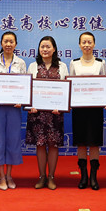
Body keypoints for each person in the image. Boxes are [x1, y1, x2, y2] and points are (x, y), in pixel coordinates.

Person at [27, 35, 69, 190]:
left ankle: (51, 176)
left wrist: (61, 105)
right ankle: (41, 176)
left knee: (53, 145)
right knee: (40, 145)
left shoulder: (62, 66)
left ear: (54, 49)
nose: (45, 49)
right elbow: (28, 89)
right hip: (37, 113)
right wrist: (30, 105)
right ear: (39, 49)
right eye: (42, 46)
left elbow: (65, 89)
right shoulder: (33, 66)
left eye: (48, 46)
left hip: (55, 113)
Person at [0, 31, 27, 190]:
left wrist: (21, 100)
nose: (8, 44)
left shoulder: (20, 63)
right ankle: (1, 176)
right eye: (5, 41)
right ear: (1, 43)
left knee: (13, 140)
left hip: (14, 108)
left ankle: (9, 175)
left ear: (16, 44)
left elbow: (24, 85)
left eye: (11, 41)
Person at [68, 31, 106, 190]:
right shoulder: (74, 63)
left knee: (94, 143)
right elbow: (70, 85)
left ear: (94, 44)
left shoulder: (101, 63)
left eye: (89, 42)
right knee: (81, 143)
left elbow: (104, 85)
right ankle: (83, 175)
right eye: (83, 42)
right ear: (79, 45)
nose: (86, 45)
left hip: (95, 109)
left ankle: (94, 176)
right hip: (79, 109)